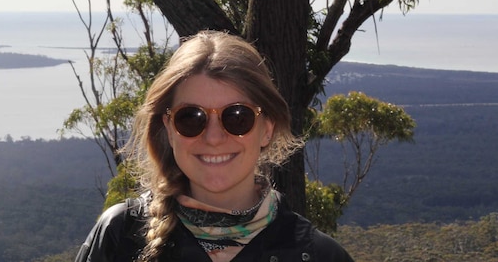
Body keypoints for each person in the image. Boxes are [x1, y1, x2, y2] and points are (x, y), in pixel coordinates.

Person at [75, 30, 354, 262]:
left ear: (266, 129)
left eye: (237, 117)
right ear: (170, 130)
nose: (213, 137)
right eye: (190, 118)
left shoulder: (320, 256)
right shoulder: (119, 237)